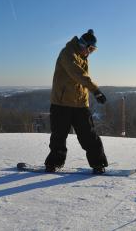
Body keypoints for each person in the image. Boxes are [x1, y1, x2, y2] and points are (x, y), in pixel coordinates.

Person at [45, 29, 108, 174]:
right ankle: (53, 164)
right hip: (61, 104)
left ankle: (98, 164)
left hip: (80, 104)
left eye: (94, 50)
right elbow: (77, 74)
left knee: (89, 136)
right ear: (82, 44)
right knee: (59, 136)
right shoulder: (67, 54)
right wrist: (96, 91)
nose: (91, 53)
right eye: (90, 49)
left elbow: (81, 79)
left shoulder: (82, 56)